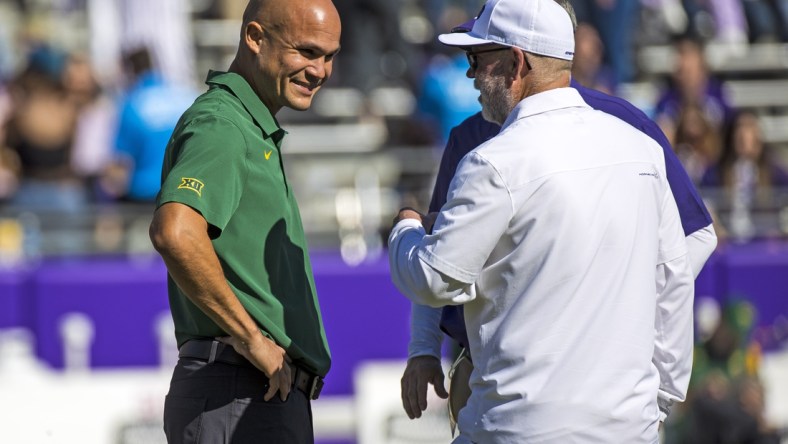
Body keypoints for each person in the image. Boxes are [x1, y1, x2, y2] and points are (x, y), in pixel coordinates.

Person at [401, 0, 719, 428]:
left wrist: (612, 323)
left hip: (526, 412)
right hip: (571, 399)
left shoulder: (623, 125)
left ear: (516, 62)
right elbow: (674, 267)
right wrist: (659, 389)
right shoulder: (475, 134)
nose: (469, 73)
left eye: (476, 58)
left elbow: (694, 239)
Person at [148, 1, 340, 442]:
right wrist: (253, 339)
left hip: (248, 393)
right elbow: (174, 231)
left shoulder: (248, 125)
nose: (320, 70)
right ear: (255, 38)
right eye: (307, 51)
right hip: (236, 389)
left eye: (329, 56)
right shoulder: (223, 124)